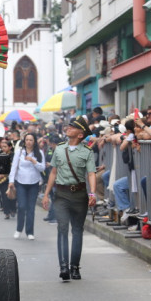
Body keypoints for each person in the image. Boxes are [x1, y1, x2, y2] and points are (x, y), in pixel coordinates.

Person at [42, 116, 97, 281]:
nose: (68, 128)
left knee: (77, 231)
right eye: (69, 126)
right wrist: (46, 194)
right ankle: (64, 266)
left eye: (72, 127)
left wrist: (92, 193)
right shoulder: (59, 149)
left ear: (80, 134)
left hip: (80, 195)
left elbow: (91, 174)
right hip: (62, 195)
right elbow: (53, 172)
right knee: (62, 229)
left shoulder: (87, 152)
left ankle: (75, 267)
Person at [8, 133, 46, 240]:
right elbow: (14, 167)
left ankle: (30, 231)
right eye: (27, 140)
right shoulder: (19, 152)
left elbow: (42, 168)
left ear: (34, 142)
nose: (28, 142)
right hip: (20, 182)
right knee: (21, 206)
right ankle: (19, 229)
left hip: (34, 183)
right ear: (24, 141)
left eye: (31, 140)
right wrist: (11, 181)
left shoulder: (39, 153)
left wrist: (33, 161)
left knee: (31, 208)